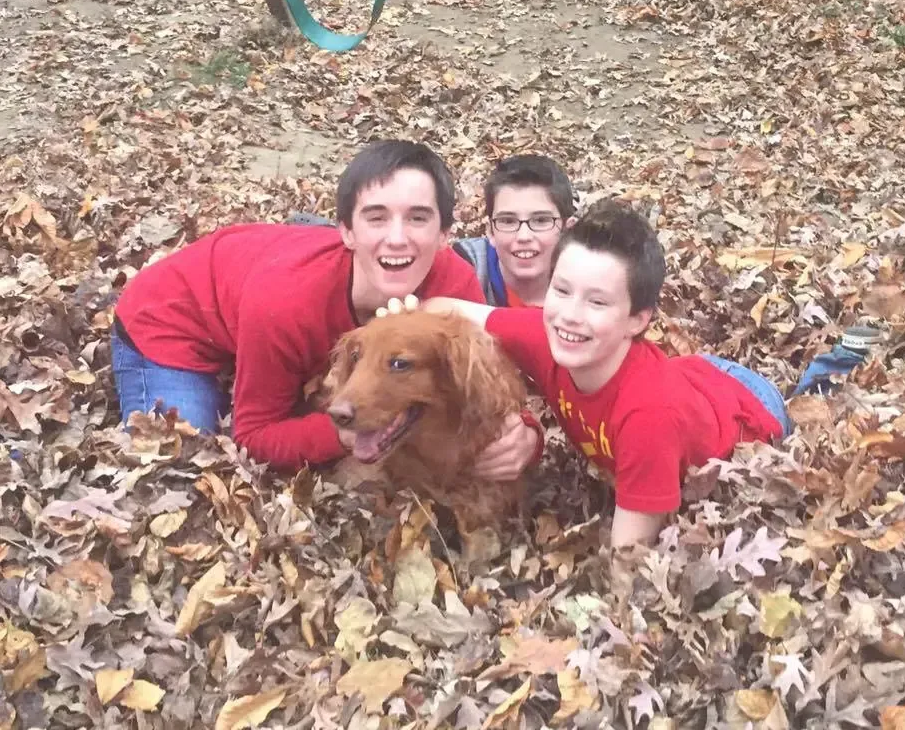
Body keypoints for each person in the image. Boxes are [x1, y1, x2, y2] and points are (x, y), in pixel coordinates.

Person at [111, 139, 542, 477]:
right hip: (169, 324)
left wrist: (524, 430)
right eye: (376, 218)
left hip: (249, 304)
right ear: (346, 232)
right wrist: (345, 435)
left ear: (445, 233)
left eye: (417, 218)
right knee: (180, 456)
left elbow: (482, 374)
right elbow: (255, 434)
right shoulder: (285, 304)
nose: (397, 239)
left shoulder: (453, 284)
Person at [424, 199, 791, 550]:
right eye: (562, 290)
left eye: (597, 301)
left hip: (750, 409)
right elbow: (443, 310)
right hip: (695, 377)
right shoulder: (546, 333)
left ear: (638, 319)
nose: (570, 314)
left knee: (813, 394)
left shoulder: (647, 419)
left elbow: (628, 557)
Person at [453, 154, 577, 307]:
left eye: (540, 220)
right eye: (508, 221)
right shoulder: (465, 266)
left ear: (567, 230)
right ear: (490, 231)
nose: (523, 236)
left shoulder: (593, 284)